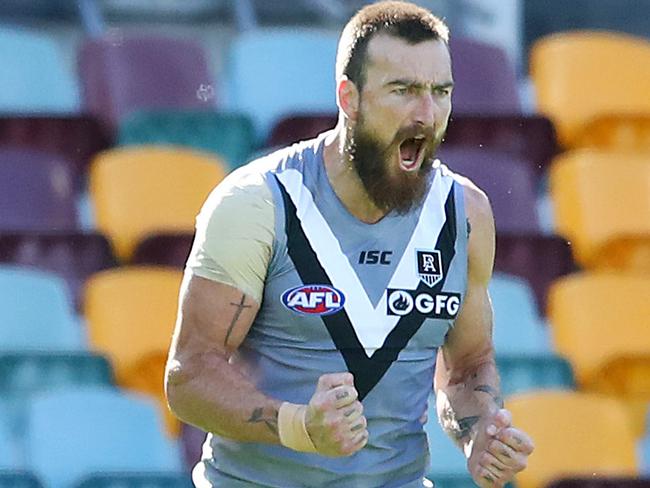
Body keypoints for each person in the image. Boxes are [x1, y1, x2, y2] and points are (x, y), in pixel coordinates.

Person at [165, 1, 534, 487]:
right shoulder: (258, 204)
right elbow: (188, 377)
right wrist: (298, 425)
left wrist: (481, 431)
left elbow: (467, 367)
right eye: (402, 91)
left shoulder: (464, 214)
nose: (426, 114)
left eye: (440, 92)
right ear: (349, 97)